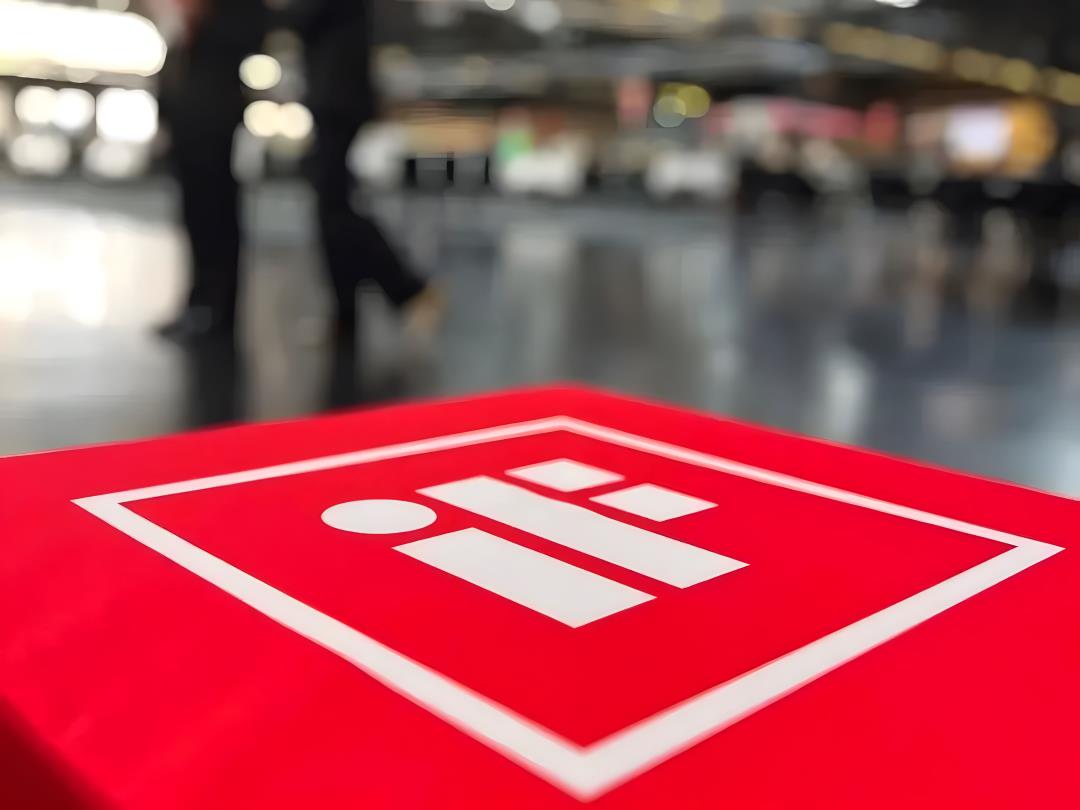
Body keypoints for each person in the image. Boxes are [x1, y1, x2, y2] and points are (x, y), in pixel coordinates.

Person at [282, 0, 444, 340]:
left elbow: (304, 15)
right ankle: (351, 311)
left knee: (334, 211)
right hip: (337, 94)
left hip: (337, 96)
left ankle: (405, 288)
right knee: (333, 210)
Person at [153, 0, 268, 342]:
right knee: (196, 214)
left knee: (215, 214)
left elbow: (249, 36)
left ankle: (216, 307)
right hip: (190, 115)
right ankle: (201, 301)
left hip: (212, 117)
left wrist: (200, 18)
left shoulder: (230, 16)